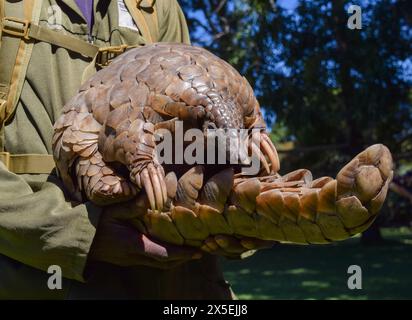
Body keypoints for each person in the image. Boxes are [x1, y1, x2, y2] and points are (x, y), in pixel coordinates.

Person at [0, 0, 270, 299]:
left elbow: (194, 131)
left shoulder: (155, 7)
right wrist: (75, 232)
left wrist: (226, 213)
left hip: (175, 284)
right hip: (42, 280)